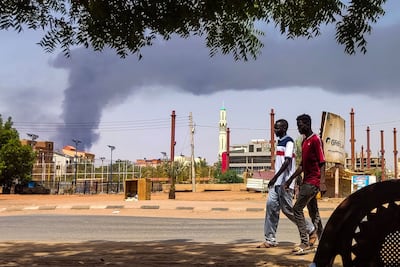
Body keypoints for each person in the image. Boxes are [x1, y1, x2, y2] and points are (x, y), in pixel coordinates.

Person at [257, 119, 315, 248]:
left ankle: (311, 229)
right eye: (274, 128)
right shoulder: (280, 142)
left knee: (288, 210)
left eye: (277, 128)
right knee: (271, 208)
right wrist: (275, 179)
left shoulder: (288, 142)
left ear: (284, 128)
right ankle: (270, 239)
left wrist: (275, 178)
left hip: (285, 183)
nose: (275, 131)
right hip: (277, 183)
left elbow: (287, 161)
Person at [285, 114, 326, 254]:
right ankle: (323, 241)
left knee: (297, 209)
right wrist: (290, 179)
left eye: (300, 125)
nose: (298, 128)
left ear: (307, 124)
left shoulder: (315, 140)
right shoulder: (304, 141)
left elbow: (322, 162)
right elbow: (302, 165)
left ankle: (304, 242)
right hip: (306, 181)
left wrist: (322, 182)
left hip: (313, 181)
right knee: (314, 212)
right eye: (297, 125)